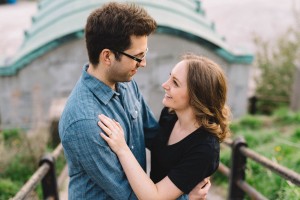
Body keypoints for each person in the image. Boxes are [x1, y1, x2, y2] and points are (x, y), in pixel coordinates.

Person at [59, 2, 210, 200]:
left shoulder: (127, 84)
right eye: (137, 57)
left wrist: (196, 166)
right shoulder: (84, 122)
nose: (144, 63)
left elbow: (156, 139)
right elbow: (128, 196)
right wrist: (186, 197)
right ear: (107, 57)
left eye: (144, 54)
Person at [98, 53, 231, 200]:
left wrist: (121, 148)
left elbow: (155, 197)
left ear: (196, 96)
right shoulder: (170, 115)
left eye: (175, 82)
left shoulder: (205, 148)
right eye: (170, 77)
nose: (165, 85)